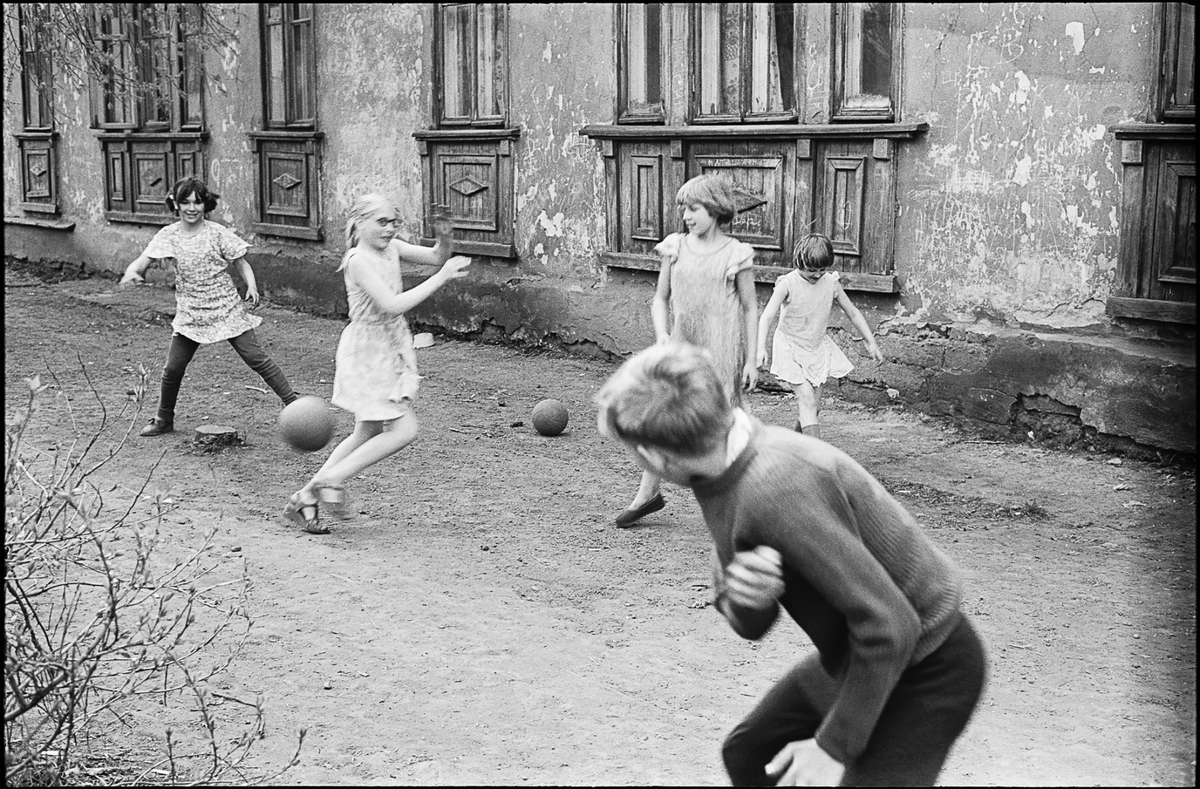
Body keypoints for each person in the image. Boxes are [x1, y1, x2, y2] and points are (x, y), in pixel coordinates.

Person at [595, 342, 987, 787]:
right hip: (859, 653)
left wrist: (832, 747)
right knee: (752, 755)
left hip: (929, 667)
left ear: (655, 458)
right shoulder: (721, 468)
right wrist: (751, 598)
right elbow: (752, 624)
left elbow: (892, 624)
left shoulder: (776, 487)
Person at [283, 195, 471, 534]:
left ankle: (305, 497)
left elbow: (435, 257)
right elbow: (392, 305)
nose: (389, 229)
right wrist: (441, 277)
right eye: (381, 222)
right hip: (367, 353)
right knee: (404, 429)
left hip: (390, 347)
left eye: (393, 222)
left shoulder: (392, 247)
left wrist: (444, 236)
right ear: (359, 223)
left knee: (367, 431)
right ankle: (330, 480)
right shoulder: (358, 260)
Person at [614, 173, 759, 527]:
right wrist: (662, 333)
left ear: (716, 209)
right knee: (663, 414)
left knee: (724, 426)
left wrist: (752, 359)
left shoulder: (736, 254)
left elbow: (750, 307)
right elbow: (660, 298)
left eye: (694, 209)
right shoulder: (675, 248)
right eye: (684, 209)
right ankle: (647, 494)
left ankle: (747, 500)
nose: (686, 216)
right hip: (682, 349)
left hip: (722, 352)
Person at [120, 176, 299, 437]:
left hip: (226, 308)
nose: (192, 208)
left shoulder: (217, 232)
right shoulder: (168, 235)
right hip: (191, 313)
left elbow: (241, 262)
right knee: (172, 369)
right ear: (176, 204)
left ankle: (295, 406)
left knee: (255, 357)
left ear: (205, 204)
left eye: (197, 202)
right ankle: (163, 419)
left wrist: (251, 286)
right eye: (185, 202)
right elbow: (143, 260)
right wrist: (132, 272)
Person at [756, 233, 884, 440]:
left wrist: (871, 341)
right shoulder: (787, 284)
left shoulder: (831, 283)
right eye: (811, 270)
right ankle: (814, 454)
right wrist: (760, 347)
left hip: (816, 347)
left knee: (813, 407)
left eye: (822, 270)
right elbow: (767, 316)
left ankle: (794, 445)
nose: (817, 275)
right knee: (806, 398)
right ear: (799, 262)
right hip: (790, 346)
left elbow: (852, 312)